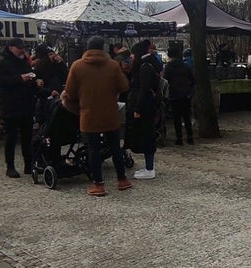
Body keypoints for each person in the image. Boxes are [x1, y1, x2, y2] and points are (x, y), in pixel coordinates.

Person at [62, 36, 131, 196]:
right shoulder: (113, 65)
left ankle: (98, 184)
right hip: (110, 113)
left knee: (93, 149)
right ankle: (122, 180)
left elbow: (70, 93)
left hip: (88, 114)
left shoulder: (77, 66)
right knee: (115, 147)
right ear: (103, 48)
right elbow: (124, 86)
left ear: (87, 47)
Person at [0, 38, 44, 178]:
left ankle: (29, 164)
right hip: (10, 104)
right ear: (11, 48)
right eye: (19, 48)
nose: (22, 50)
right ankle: (10, 166)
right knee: (11, 137)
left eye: (23, 47)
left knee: (27, 136)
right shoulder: (1, 62)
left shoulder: (25, 62)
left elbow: (31, 77)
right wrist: (19, 79)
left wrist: (35, 82)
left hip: (26, 104)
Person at [127, 40, 161, 179]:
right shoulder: (150, 64)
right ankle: (148, 167)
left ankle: (149, 168)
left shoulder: (144, 67)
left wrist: (138, 108)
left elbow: (144, 89)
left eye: (132, 54)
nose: (131, 57)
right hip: (148, 106)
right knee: (147, 135)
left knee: (147, 136)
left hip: (145, 108)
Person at [164, 47, 195, 145]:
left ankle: (179, 138)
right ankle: (190, 137)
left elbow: (166, 80)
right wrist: (189, 90)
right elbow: (193, 79)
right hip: (186, 94)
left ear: (169, 55)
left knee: (176, 118)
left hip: (174, 95)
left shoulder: (169, 67)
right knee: (187, 116)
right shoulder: (185, 66)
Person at [32, 44, 67, 122]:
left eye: (53, 54)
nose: (53, 56)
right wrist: (49, 92)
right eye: (50, 55)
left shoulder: (58, 66)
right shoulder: (38, 69)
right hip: (46, 103)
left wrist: (61, 64)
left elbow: (66, 77)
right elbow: (37, 89)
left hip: (59, 100)